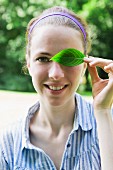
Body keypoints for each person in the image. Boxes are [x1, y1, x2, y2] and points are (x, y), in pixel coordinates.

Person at [0, 6, 113, 170]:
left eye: (68, 59)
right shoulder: (7, 145)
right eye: (43, 59)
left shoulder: (108, 124)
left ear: (84, 64)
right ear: (29, 62)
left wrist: (103, 112)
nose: (56, 74)